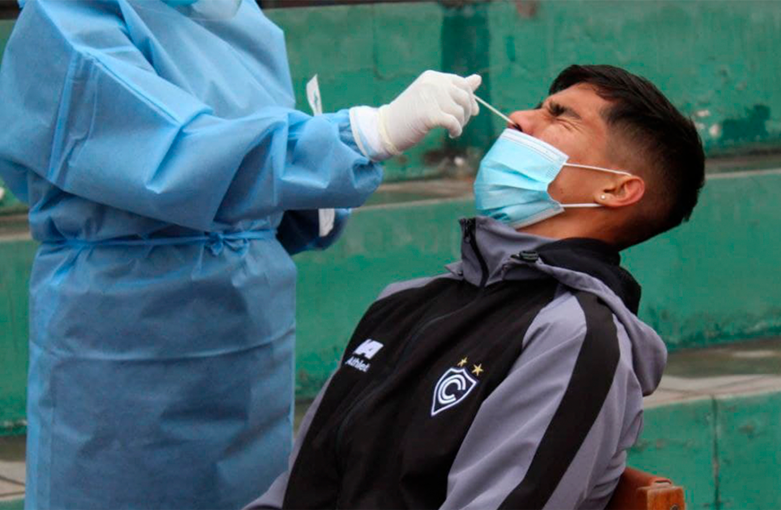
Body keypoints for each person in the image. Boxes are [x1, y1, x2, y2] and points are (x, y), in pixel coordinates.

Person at [0, 0, 481, 509]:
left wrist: (314, 194)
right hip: (129, 345)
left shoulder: (237, 19)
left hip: (251, 338)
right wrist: (362, 135)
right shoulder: (72, 21)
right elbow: (177, 154)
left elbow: (255, 181)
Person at [245, 64, 706, 510]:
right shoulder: (402, 301)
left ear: (616, 190)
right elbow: (295, 488)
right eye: (539, 107)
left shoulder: (570, 334)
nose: (520, 119)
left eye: (560, 116)